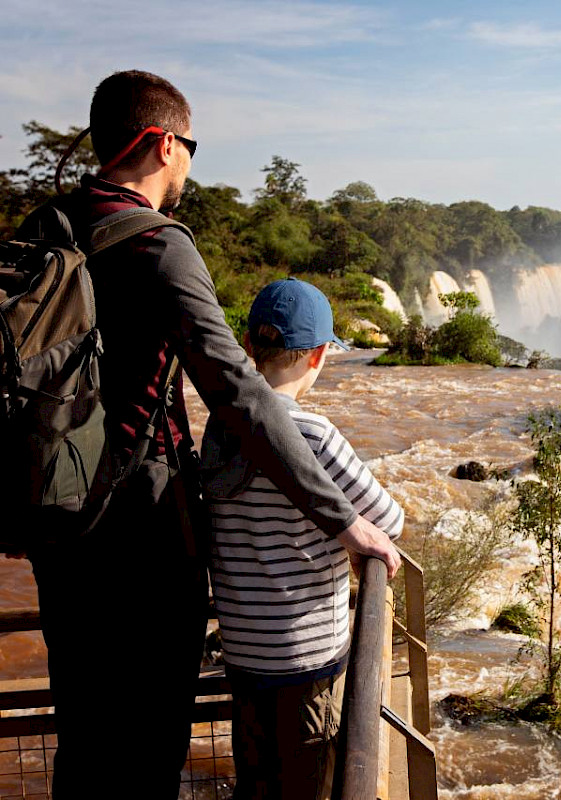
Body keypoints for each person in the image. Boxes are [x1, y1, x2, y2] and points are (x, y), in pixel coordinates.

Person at [18, 70, 400, 800]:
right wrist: (346, 521)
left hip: (56, 527)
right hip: (141, 533)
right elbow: (240, 396)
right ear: (164, 144)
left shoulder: (48, 228)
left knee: (87, 735)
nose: (191, 163)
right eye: (190, 146)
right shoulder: (159, 245)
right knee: (152, 741)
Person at [203, 278, 404, 800]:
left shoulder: (221, 430)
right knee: (307, 780)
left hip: (244, 655)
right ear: (317, 355)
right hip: (304, 658)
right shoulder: (312, 433)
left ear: (248, 346)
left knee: (257, 781)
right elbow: (389, 518)